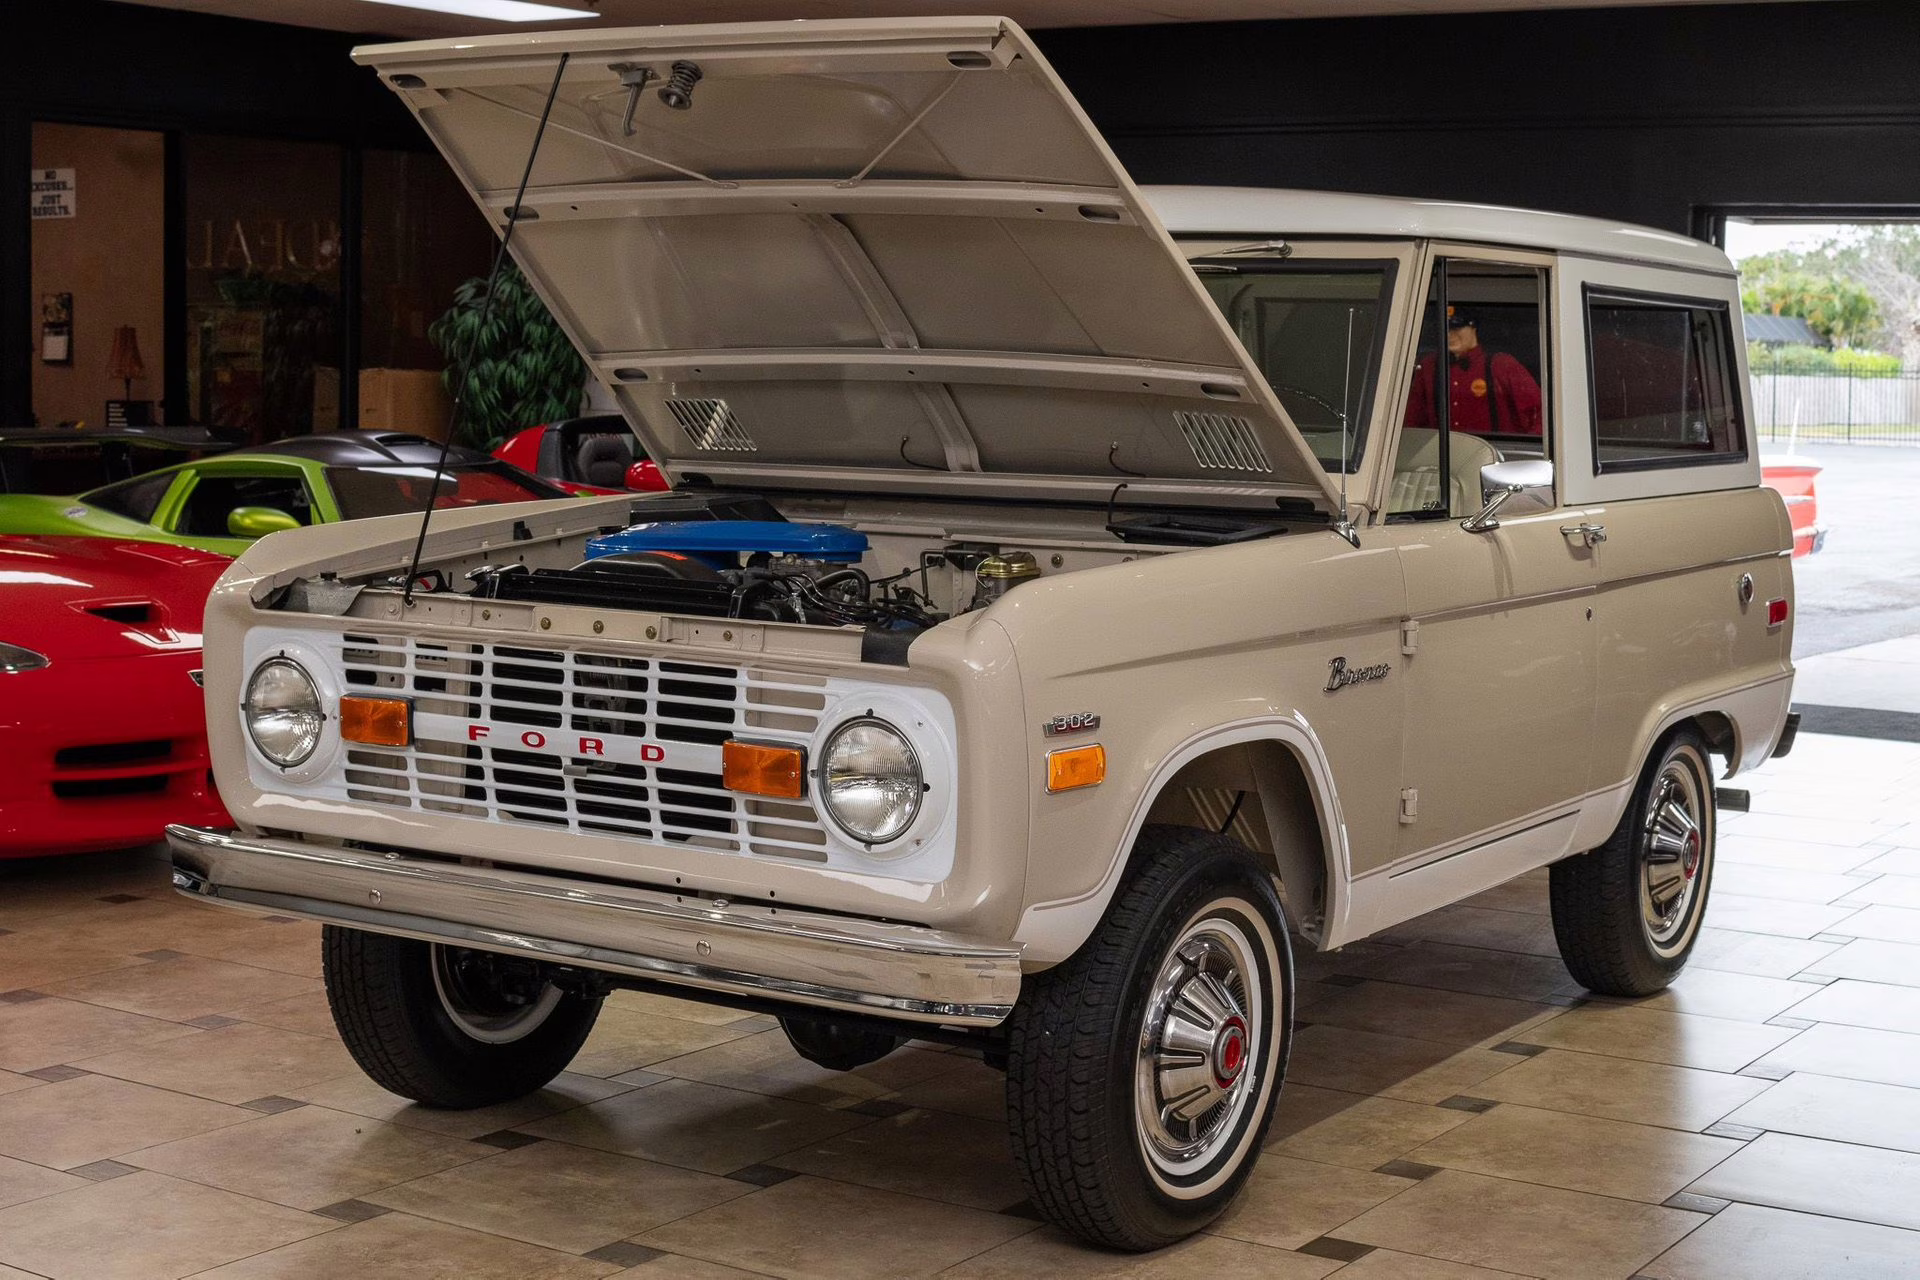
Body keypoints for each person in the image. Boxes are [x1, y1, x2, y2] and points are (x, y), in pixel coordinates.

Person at [1403, 308, 1543, 436]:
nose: (1450, 334)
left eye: (1457, 328)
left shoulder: (1501, 365)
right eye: (1445, 328)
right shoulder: (1428, 367)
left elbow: (1540, 411)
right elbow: (1412, 418)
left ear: (1473, 328)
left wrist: (1527, 447)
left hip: (1495, 450)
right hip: (1441, 451)